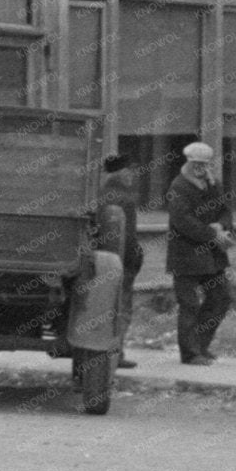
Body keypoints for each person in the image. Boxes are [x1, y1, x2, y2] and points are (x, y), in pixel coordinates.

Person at [165, 140, 233, 366]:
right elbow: (183, 222)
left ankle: (201, 346)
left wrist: (222, 227)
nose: (201, 168)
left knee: (221, 299)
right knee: (190, 305)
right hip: (185, 257)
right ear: (188, 162)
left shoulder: (213, 185)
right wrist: (212, 234)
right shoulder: (178, 187)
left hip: (211, 258)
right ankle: (190, 354)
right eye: (196, 163)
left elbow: (225, 211)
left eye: (204, 164)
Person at [97, 154, 145, 368]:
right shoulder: (124, 198)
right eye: (129, 170)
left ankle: (102, 353)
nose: (132, 175)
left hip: (100, 261)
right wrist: (134, 259)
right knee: (121, 308)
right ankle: (116, 353)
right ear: (120, 172)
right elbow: (128, 236)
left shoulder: (99, 194)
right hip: (121, 261)